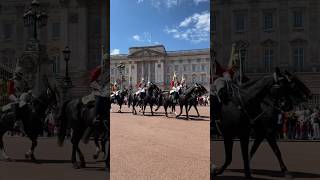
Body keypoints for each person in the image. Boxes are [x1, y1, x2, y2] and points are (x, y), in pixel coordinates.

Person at [6, 68, 32, 132]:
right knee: (17, 102)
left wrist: (29, 91)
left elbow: (27, 88)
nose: (20, 75)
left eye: (21, 74)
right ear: (16, 73)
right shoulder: (12, 81)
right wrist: (15, 98)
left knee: (29, 103)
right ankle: (16, 121)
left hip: (22, 97)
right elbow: (9, 92)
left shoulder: (24, 81)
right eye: (19, 74)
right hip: (13, 96)